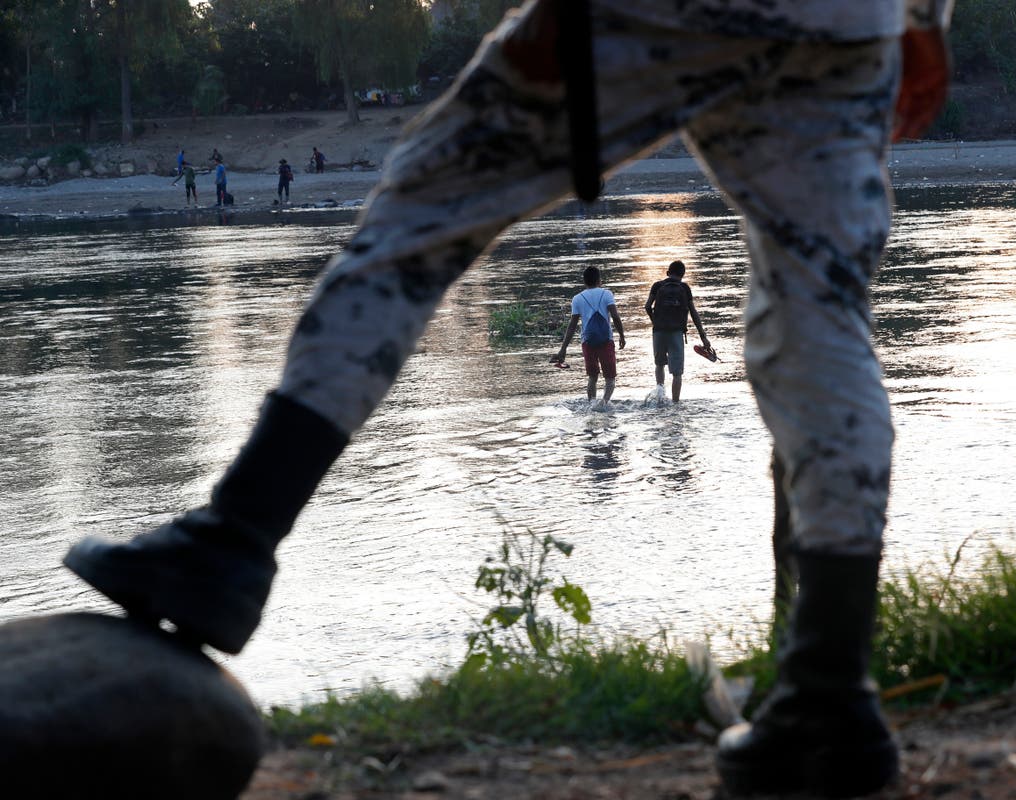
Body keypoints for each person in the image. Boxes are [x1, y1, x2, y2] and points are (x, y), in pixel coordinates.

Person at [63, 1, 951, 796]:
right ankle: (831, 697)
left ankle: (232, 541)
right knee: (821, 315)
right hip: (850, 23)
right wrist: (925, 19)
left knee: (415, 223)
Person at [551, 266, 626, 405]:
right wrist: (622, 335)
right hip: (606, 340)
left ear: (584, 281)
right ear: (599, 280)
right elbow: (615, 316)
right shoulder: (607, 294)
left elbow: (572, 325)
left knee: (592, 377)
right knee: (610, 378)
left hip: (587, 341)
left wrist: (563, 348)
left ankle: (592, 404)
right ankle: (604, 403)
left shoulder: (577, 298)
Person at [644, 259, 711, 402]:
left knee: (659, 364)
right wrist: (703, 337)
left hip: (659, 332)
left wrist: (654, 321)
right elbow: (693, 312)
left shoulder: (657, 286)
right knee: (677, 373)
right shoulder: (684, 288)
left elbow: (647, 306)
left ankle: (660, 397)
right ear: (683, 275)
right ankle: (675, 404)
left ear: (668, 273)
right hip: (676, 333)